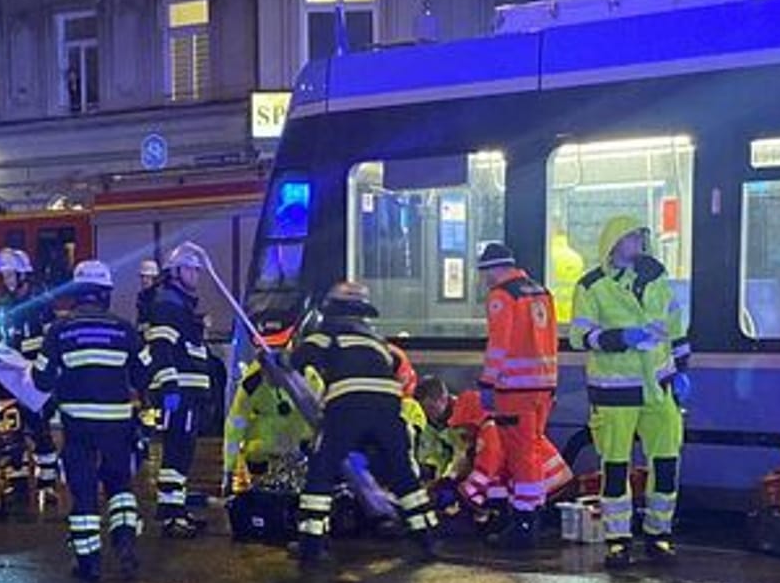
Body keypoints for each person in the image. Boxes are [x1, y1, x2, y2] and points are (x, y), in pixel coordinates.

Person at [569, 216, 690, 568]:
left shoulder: (657, 278)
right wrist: (620, 338)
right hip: (614, 389)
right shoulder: (591, 286)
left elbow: (676, 326)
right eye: (632, 237)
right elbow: (581, 336)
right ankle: (618, 539)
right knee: (616, 467)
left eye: (640, 237)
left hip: (659, 386)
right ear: (615, 243)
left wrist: (682, 370)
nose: (639, 242)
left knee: (666, 462)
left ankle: (659, 533)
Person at [291, 281, 440, 566]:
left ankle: (311, 545)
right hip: (388, 409)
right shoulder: (377, 341)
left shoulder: (327, 334)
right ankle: (426, 537)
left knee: (322, 469)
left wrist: (278, 360)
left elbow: (299, 359)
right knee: (403, 475)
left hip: (347, 408)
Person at [32, 260, 152, 582]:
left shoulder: (60, 330)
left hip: (78, 425)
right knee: (120, 487)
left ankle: (89, 563)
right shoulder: (123, 328)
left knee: (83, 492)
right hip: (117, 423)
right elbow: (144, 373)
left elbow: (41, 380)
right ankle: (125, 545)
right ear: (106, 294)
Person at [475, 242, 559, 548]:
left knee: (520, 455)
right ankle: (532, 511)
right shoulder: (541, 292)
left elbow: (499, 344)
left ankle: (524, 523)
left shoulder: (502, 296)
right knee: (534, 450)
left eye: (484, 273)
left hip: (514, 389)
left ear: (493, 269)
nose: (483, 280)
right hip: (544, 386)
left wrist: (487, 382)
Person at [143, 243, 214, 538]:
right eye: (191, 269)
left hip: (189, 391)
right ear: (177, 271)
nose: (196, 275)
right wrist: (170, 387)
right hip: (180, 392)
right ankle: (171, 516)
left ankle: (176, 508)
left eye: (198, 270)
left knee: (182, 453)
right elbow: (161, 348)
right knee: (176, 452)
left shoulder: (180, 304)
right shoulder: (168, 304)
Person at [0, 247, 58, 500]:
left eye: (10, 275)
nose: (6, 281)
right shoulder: (3, 306)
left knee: (39, 428)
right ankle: (17, 479)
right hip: (11, 378)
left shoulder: (41, 302)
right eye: (4, 276)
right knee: (13, 428)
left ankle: (48, 482)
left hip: (35, 376)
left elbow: (52, 339)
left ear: (23, 276)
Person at [222, 315, 313, 495]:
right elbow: (236, 425)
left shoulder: (307, 376)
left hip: (298, 452)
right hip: (265, 455)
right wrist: (229, 468)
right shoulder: (252, 383)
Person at [135, 258, 161, 329]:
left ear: (155, 278)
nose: (144, 280)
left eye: (148, 277)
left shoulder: (159, 297)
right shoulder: (142, 296)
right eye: (142, 276)